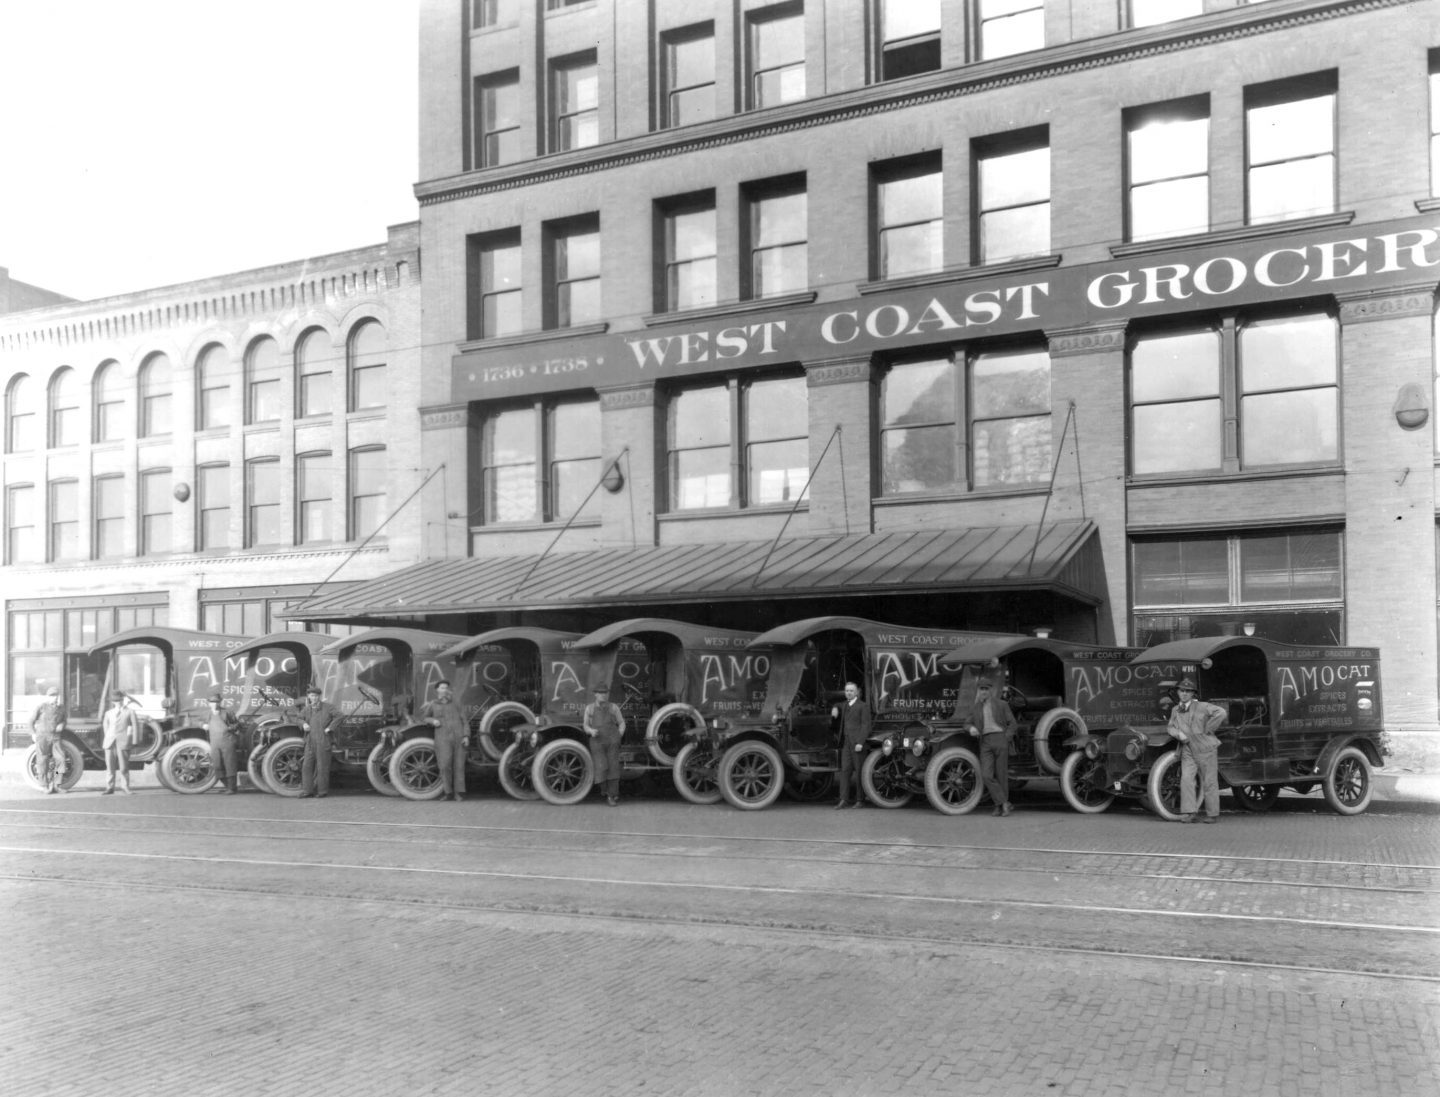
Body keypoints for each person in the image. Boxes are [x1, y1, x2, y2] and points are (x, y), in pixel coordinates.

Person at [1167, 676, 1226, 824]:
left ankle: (1212, 814)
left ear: (1193, 693)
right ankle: (1190, 813)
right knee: (1186, 780)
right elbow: (1170, 727)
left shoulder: (1203, 706)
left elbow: (1221, 713)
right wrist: (1178, 734)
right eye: (1182, 690)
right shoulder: (1176, 709)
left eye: (1188, 691)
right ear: (1178, 692)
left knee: (1209, 782)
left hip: (1206, 747)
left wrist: (1208, 729)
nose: (1184, 694)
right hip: (1187, 749)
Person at [965, 677, 1017, 817]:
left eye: (986, 689)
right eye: (981, 689)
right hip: (986, 742)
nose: (983, 692)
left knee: (1001, 775)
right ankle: (1004, 803)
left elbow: (1012, 724)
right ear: (978, 691)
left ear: (991, 690)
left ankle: (999, 806)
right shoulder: (975, 707)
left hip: (1000, 739)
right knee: (986, 775)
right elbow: (966, 723)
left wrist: (1006, 738)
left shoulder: (1001, 704)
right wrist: (971, 729)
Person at [419, 679, 468, 801]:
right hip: (442, 738)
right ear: (437, 690)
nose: (444, 690)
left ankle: (458, 793)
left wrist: (466, 736)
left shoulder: (456, 703)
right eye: (442, 688)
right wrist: (432, 721)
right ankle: (448, 792)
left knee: (459, 765)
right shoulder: (433, 704)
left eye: (446, 688)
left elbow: (465, 720)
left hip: (459, 737)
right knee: (445, 765)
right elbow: (424, 717)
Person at [582, 684, 625, 805]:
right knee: (601, 767)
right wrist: (591, 731)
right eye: (600, 693)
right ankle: (606, 792)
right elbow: (585, 725)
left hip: (612, 741)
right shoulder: (589, 709)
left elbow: (622, 723)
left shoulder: (614, 708)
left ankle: (611, 796)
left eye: (605, 693)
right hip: (597, 742)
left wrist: (619, 735)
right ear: (595, 694)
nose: (603, 695)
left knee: (613, 767)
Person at [833, 681, 872, 809]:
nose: (848, 693)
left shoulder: (863, 706)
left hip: (857, 743)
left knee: (860, 771)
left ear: (856, 692)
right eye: (847, 691)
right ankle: (843, 799)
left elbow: (866, 726)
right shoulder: (844, 705)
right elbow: (838, 705)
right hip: (846, 744)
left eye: (851, 691)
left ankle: (860, 800)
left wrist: (860, 742)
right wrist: (834, 707)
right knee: (845, 771)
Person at [297, 684, 339, 798]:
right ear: (309, 697)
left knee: (322, 767)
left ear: (319, 696)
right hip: (310, 741)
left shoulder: (328, 707)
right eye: (311, 696)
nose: (314, 698)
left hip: (323, 740)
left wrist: (330, 728)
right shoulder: (307, 709)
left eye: (316, 696)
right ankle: (307, 791)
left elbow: (340, 716)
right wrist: (304, 723)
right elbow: (299, 718)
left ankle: (322, 792)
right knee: (306, 767)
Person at [30, 685, 67, 793]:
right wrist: (33, 733)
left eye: (56, 695)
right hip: (43, 737)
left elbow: (64, 720)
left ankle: (57, 784)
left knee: (60, 759)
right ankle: (44, 785)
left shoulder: (61, 708)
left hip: (55, 737)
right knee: (42, 761)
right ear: (48, 697)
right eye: (52, 696)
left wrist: (62, 725)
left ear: (58, 696)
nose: (54, 698)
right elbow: (30, 721)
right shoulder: (41, 707)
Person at [101, 690, 139, 795]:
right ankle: (109, 787)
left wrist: (134, 741)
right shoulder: (108, 713)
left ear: (123, 700)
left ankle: (125, 787)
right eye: (116, 701)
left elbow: (135, 726)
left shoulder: (130, 712)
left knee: (124, 767)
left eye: (120, 700)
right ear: (113, 702)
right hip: (109, 743)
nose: (118, 702)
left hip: (123, 742)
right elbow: (106, 727)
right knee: (110, 767)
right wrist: (108, 738)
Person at [205, 692, 239, 794]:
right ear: (209, 704)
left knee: (230, 764)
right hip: (215, 742)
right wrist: (203, 725)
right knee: (217, 765)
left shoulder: (227, 712)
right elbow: (201, 722)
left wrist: (229, 728)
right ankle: (228, 787)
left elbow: (237, 724)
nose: (214, 704)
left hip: (227, 741)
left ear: (220, 702)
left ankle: (232, 788)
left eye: (216, 702)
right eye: (212, 702)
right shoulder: (207, 714)